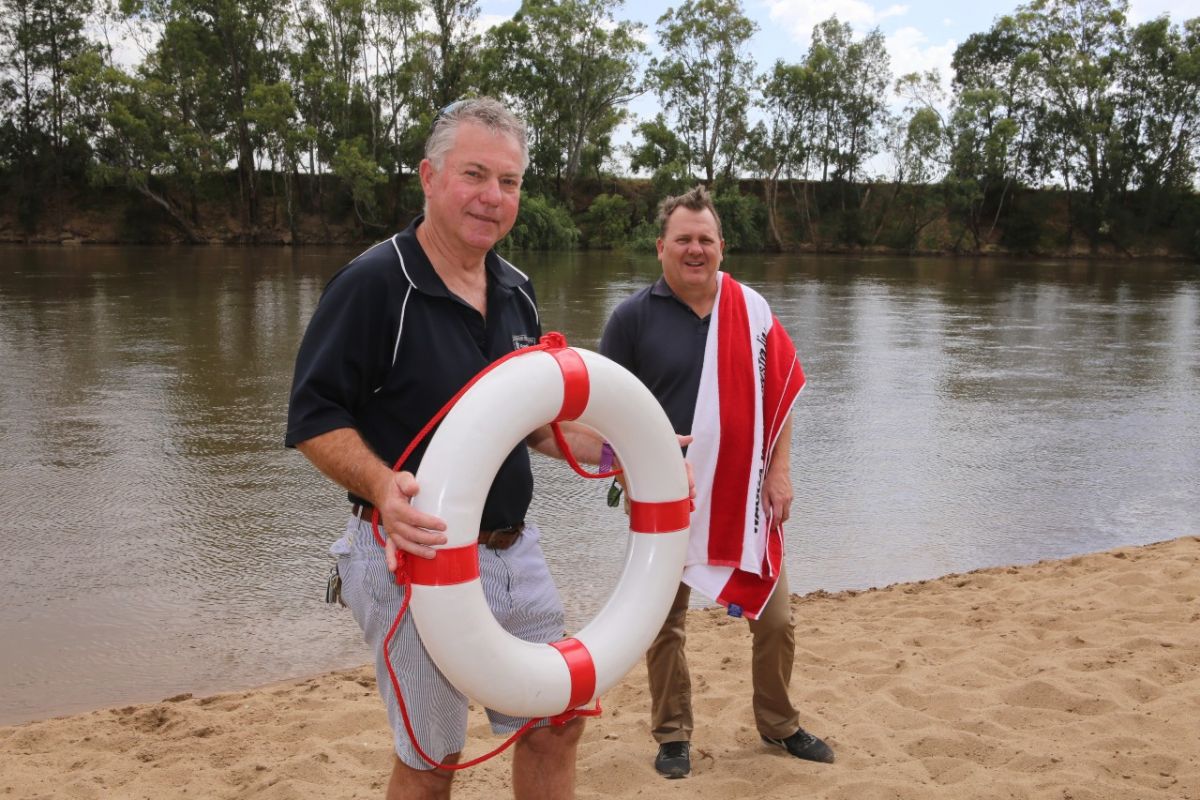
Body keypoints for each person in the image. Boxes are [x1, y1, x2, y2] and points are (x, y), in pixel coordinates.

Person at [286, 97, 605, 800]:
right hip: (412, 554)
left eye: (511, 182)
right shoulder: (375, 284)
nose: (493, 198)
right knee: (432, 760)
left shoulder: (516, 293)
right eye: (475, 174)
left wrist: (625, 452)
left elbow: (533, 422)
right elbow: (313, 415)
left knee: (556, 719)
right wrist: (379, 484)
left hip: (514, 550)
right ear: (429, 178)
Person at [599, 185, 835, 779]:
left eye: (706, 239)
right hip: (664, 497)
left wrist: (779, 471)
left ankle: (779, 724)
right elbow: (602, 415)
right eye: (684, 239)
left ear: (722, 246)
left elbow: (780, 397)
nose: (695, 249)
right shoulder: (630, 319)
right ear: (661, 247)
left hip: (744, 497)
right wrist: (629, 474)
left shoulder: (751, 312)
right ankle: (673, 734)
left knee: (776, 619)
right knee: (663, 623)